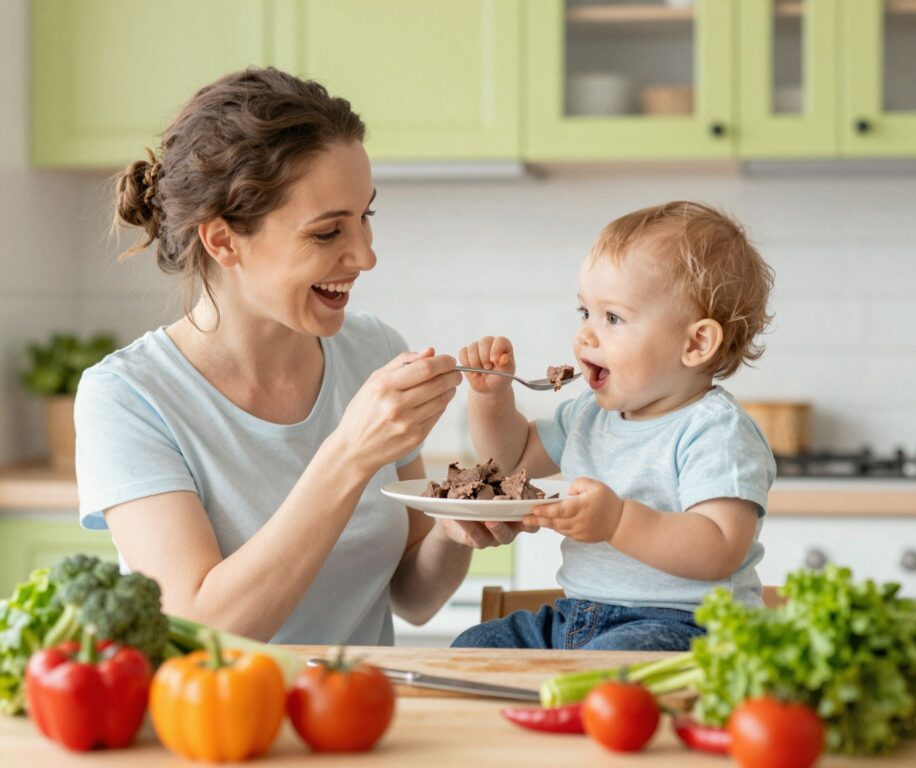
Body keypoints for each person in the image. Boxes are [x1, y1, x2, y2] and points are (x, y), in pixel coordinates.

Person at [74, 67, 528, 645]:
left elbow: (414, 597)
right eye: (326, 233)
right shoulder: (129, 398)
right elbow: (197, 631)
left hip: (356, 714)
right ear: (222, 240)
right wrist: (350, 454)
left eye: (366, 216)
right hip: (220, 725)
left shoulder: (374, 351)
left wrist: (456, 528)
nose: (365, 256)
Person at [451, 201, 776, 651]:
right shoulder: (589, 414)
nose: (586, 334)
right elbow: (509, 464)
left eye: (614, 318)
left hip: (690, 627)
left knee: (605, 674)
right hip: (578, 615)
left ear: (696, 342)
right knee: (474, 647)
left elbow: (720, 546)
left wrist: (618, 521)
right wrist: (490, 399)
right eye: (585, 312)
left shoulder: (715, 432)